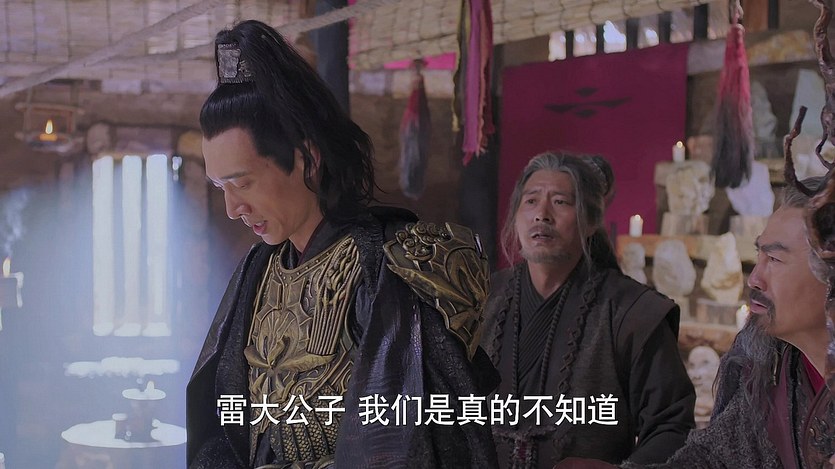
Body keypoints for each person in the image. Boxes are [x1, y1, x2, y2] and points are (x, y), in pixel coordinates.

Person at [186, 20, 499, 469]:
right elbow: (227, 429)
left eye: (243, 183)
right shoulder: (256, 271)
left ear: (307, 158)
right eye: (220, 188)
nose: (233, 208)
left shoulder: (392, 270)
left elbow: (423, 443)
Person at [558, 176, 835, 469]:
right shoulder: (770, 365)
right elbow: (714, 459)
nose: (754, 279)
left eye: (775, 260)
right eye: (759, 256)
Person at [480, 151, 695, 468]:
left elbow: (672, 427)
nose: (542, 215)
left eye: (560, 202)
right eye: (531, 201)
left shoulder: (631, 313)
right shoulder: (480, 300)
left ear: (592, 221)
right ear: (514, 216)